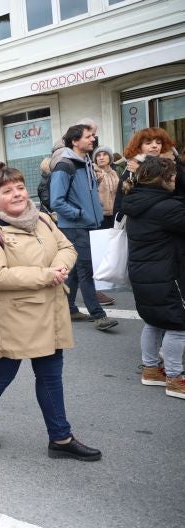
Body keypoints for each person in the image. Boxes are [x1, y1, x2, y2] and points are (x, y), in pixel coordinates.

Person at [0, 164, 101, 461]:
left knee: (51, 377)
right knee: (4, 372)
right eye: (7, 191)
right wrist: (46, 274)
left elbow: (67, 247)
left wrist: (59, 267)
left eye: (19, 187)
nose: (17, 194)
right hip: (14, 316)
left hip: (51, 311)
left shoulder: (42, 218)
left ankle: (60, 437)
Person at [120, 157, 185, 399]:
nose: (176, 178)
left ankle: (151, 370)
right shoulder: (166, 207)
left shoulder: (136, 201)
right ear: (162, 179)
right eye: (173, 175)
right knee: (178, 325)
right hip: (165, 274)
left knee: (153, 321)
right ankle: (175, 379)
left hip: (143, 273)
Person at [50, 124, 118, 331]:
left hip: (88, 224)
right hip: (75, 226)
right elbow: (56, 202)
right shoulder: (65, 165)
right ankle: (99, 315)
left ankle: (69, 309)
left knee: (76, 272)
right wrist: (79, 214)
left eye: (93, 136)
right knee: (86, 269)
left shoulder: (86, 162)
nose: (93, 139)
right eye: (88, 136)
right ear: (74, 141)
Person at [94, 145, 119, 229]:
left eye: (104, 154)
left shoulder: (114, 173)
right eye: (98, 155)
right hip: (99, 216)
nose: (101, 157)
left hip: (114, 214)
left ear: (110, 158)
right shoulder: (92, 173)